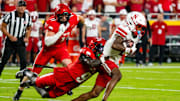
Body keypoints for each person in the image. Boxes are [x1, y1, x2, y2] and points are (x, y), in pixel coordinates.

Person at [13, 3, 84, 100]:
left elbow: (80, 18)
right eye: (61, 16)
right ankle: (19, 91)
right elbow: (48, 42)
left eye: (65, 15)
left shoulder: (72, 18)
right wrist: (60, 32)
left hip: (61, 48)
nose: (63, 18)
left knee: (71, 69)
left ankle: (65, 87)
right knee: (34, 73)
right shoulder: (51, 22)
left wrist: (83, 25)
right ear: (56, 16)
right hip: (47, 50)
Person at [15, 38, 122, 101]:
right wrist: (102, 60)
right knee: (38, 83)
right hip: (64, 75)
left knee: (45, 95)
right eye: (101, 50)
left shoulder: (101, 59)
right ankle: (27, 72)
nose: (102, 52)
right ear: (94, 47)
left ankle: (29, 82)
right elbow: (89, 62)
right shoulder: (86, 51)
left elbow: (107, 70)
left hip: (73, 83)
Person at [73, 11, 147, 101]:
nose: (140, 30)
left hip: (113, 61)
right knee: (117, 75)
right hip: (105, 57)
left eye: (142, 28)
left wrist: (132, 52)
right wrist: (127, 50)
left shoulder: (135, 36)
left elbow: (128, 50)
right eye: (139, 26)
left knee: (94, 93)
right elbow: (115, 45)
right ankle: (105, 100)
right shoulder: (124, 29)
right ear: (131, 22)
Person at [0, 0, 32, 76]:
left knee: (23, 62)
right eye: (20, 6)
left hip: (20, 40)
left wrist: (27, 37)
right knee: (4, 60)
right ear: (16, 7)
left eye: (23, 6)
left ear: (25, 7)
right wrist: (9, 36)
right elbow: (2, 26)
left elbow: (29, 28)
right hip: (10, 41)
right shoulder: (10, 15)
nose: (21, 8)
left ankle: (23, 82)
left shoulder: (27, 16)